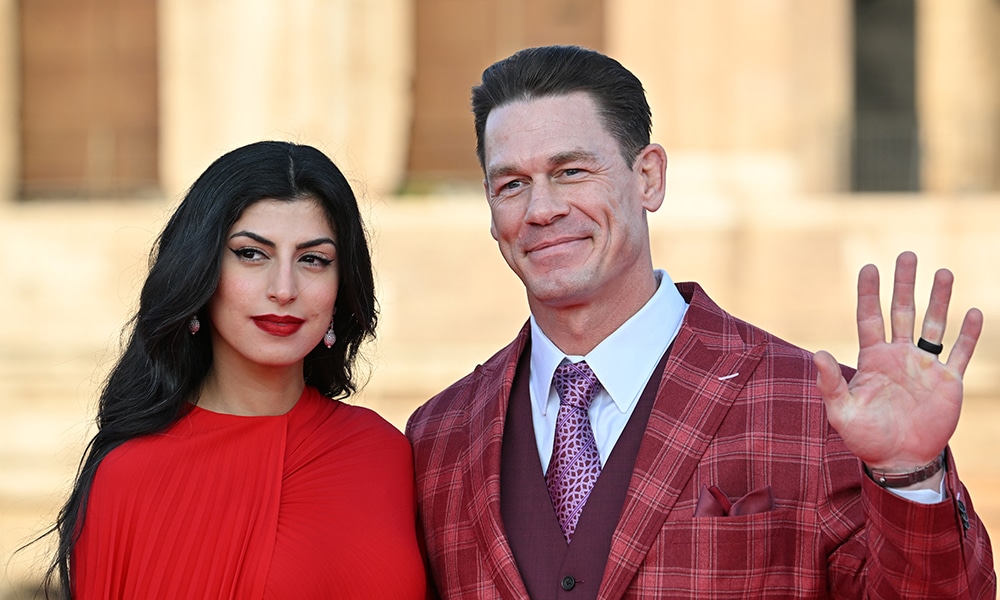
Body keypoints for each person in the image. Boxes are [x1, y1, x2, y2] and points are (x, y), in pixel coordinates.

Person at [406, 45, 996, 598]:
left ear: (649, 178)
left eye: (571, 173)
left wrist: (909, 477)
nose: (541, 210)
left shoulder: (819, 411)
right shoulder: (437, 439)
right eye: (512, 185)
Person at [45, 141, 429, 598]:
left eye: (313, 259)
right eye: (251, 253)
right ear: (201, 270)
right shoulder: (128, 477)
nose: (284, 289)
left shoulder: (385, 454)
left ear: (340, 284)